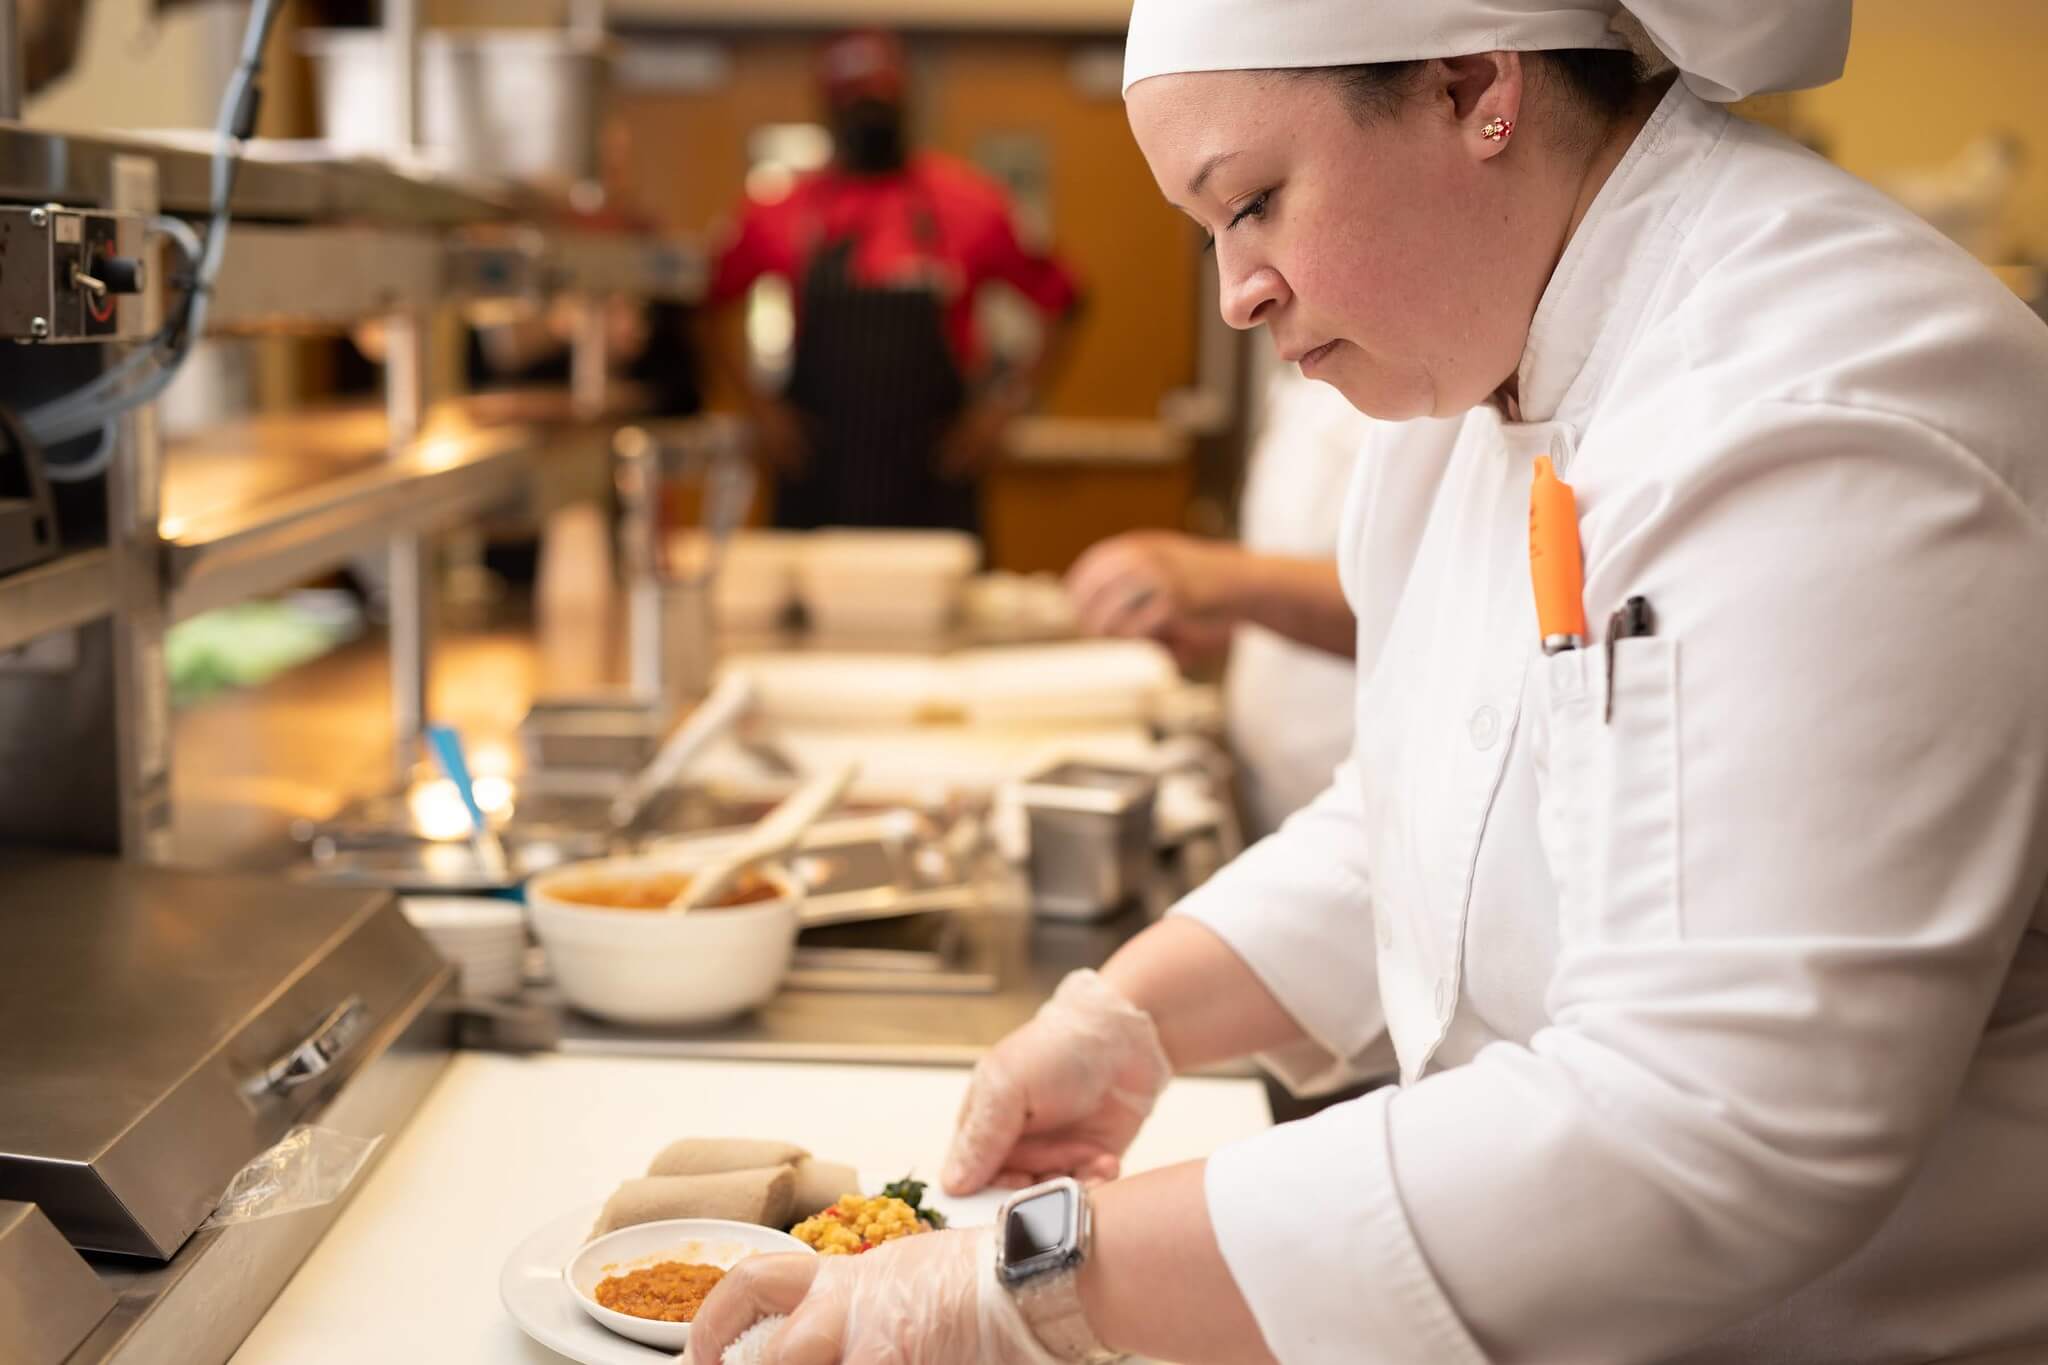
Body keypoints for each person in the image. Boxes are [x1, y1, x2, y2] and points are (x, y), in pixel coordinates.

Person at [687, 3, 2048, 1362]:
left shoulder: (1818, 404)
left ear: (1472, 89)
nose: (1238, 291)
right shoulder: (1473, 385)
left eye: (1258, 203)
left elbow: (1707, 1120)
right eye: (1210, 231)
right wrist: (1130, 1013)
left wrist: (1024, 1279)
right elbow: (1417, 812)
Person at [701, 30, 1085, 534]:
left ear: (905, 103)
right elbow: (705, 307)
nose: (869, 119)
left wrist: (1002, 412)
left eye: (880, 103)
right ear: (828, 109)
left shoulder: (969, 204)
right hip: (817, 476)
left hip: (933, 479)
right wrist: (759, 410)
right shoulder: (779, 211)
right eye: (854, 103)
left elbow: (1067, 303)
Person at [1066, 361, 1365, 838]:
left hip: (1355, 785)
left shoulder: (1433, 384)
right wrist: (1226, 620)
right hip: (1278, 783)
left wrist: (1225, 579)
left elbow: (1425, 606)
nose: (1240, 305)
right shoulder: (1301, 373)